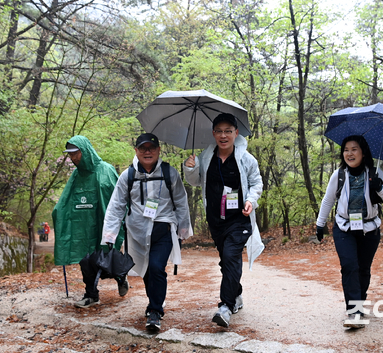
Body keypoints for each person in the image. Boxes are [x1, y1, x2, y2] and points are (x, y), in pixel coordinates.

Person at [101, 133, 192, 332]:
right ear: (136, 151)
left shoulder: (170, 173)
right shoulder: (128, 175)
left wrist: (183, 230)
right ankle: (156, 301)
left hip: (163, 229)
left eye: (152, 148)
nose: (147, 151)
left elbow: (181, 201)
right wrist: (109, 235)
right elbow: (116, 206)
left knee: (157, 267)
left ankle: (155, 311)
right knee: (145, 269)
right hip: (137, 233)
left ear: (159, 150)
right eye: (143, 148)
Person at [183, 113, 264, 328]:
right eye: (219, 131)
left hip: (240, 218)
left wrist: (250, 200)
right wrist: (190, 167)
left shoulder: (246, 158)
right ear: (213, 134)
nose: (223, 135)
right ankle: (235, 294)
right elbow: (195, 182)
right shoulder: (206, 156)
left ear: (236, 133)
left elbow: (256, 183)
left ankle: (225, 307)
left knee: (230, 256)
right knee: (226, 261)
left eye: (228, 131)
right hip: (216, 220)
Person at [315, 135, 383, 329]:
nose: (349, 153)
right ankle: (354, 312)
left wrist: (380, 188)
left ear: (363, 152)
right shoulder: (340, 174)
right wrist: (320, 224)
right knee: (350, 266)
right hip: (344, 227)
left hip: (370, 229)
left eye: (354, 149)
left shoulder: (375, 173)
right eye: (346, 149)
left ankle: (358, 305)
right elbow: (328, 200)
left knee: (363, 269)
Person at [52, 135, 127, 308]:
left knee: (106, 259)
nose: (73, 157)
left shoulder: (106, 170)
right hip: (83, 227)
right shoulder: (76, 175)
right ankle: (91, 294)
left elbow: (119, 199)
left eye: (75, 153)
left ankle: (121, 277)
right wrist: (59, 213)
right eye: (70, 154)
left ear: (84, 151)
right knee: (86, 260)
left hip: (104, 225)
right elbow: (65, 200)